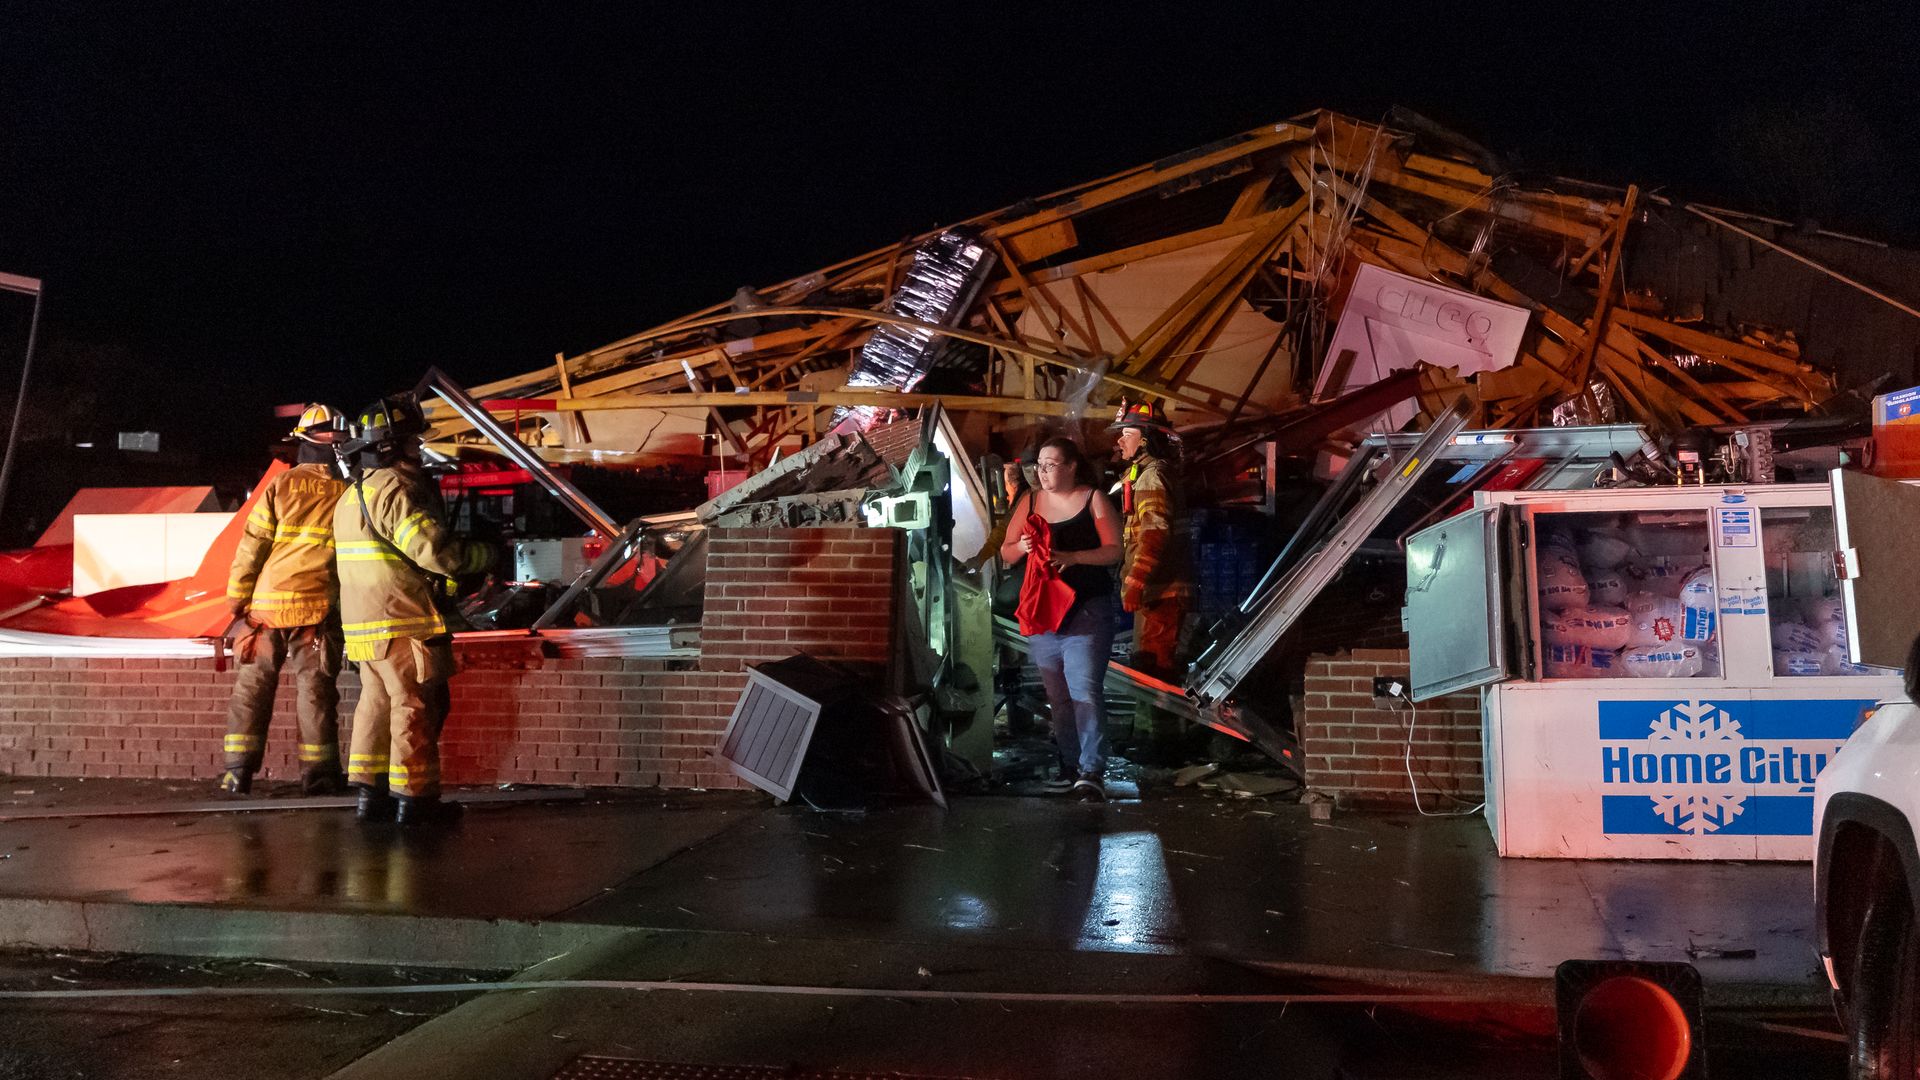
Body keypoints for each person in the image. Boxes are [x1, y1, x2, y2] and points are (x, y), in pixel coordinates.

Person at [334, 395, 493, 826]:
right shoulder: (397, 490)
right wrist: (485, 555)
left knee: (375, 706)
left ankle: (371, 799)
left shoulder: (351, 496)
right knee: (414, 709)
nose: (418, 450)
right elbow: (434, 551)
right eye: (411, 443)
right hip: (403, 621)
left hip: (365, 627)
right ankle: (415, 803)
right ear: (391, 446)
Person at [218, 404, 349, 796]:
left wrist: (237, 600)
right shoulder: (348, 493)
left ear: (303, 443)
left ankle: (236, 772)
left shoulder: (280, 486)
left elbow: (251, 546)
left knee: (253, 688)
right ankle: (320, 774)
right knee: (316, 691)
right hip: (317, 610)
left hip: (266, 608)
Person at [998, 437, 1122, 801]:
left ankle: (1092, 770)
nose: (1043, 471)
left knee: (1084, 690)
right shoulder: (1030, 501)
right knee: (1059, 695)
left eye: (1051, 464)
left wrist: (1075, 557)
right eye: (1039, 465)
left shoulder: (1093, 499)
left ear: (1071, 467)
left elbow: (1114, 550)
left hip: (1085, 610)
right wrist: (1022, 548)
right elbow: (1006, 552)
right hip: (1044, 612)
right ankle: (1069, 766)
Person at [1110, 400, 1195, 759]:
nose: (1120, 442)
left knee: (1156, 669)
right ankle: (1149, 740)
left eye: (1126, 435)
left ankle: (1162, 747)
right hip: (1157, 589)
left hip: (1162, 591)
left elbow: (1154, 533)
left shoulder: (1152, 476)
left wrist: (1136, 582)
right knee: (1146, 663)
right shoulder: (1143, 473)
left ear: (1144, 439)